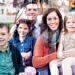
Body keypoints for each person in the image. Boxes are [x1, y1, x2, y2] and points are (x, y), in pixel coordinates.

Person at [32, 8, 63, 75]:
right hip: (46, 69)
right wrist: (55, 55)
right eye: (49, 19)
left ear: (59, 19)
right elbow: (35, 62)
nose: (52, 21)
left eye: (55, 18)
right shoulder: (42, 38)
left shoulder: (65, 34)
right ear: (45, 21)